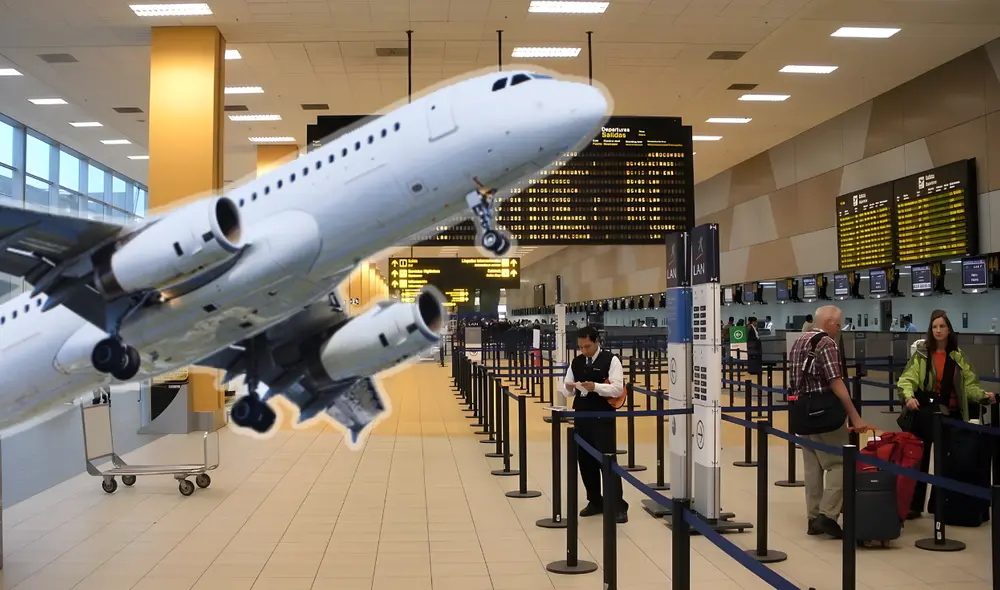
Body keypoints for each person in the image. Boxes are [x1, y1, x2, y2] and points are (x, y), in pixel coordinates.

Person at [896, 309, 995, 519]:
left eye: (942, 326)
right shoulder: (921, 355)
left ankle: (942, 505)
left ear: (949, 329)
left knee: (947, 462)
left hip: (950, 415)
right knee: (918, 460)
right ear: (930, 330)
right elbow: (907, 380)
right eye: (934, 327)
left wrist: (983, 396)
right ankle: (914, 505)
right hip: (924, 413)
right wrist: (908, 397)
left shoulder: (958, 357)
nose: (938, 330)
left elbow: (969, 385)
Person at [787, 305, 867, 539]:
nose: (838, 329)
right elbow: (836, 382)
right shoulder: (826, 343)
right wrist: (854, 415)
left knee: (812, 467)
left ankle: (812, 518)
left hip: (802, 412)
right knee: (839, 464)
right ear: (829, 322)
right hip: (825, 415)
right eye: (838, 324)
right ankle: (827, 515)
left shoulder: (799, 341)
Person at [563, 325, 628, 523]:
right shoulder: (576, 362)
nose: (584, 350)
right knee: (585, 462)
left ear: (597, 341)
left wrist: (596, 387)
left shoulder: (611, 360)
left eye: (587, 346)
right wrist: (569, 388)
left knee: (607, 461)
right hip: (582, 417)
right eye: (581, 347)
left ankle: (618, 505)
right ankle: (595, 500)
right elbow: (566, 389)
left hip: (602, 417)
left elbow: (617, 389)